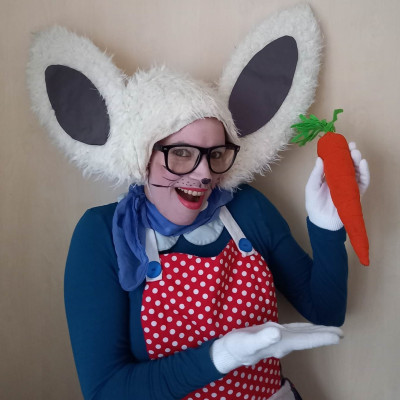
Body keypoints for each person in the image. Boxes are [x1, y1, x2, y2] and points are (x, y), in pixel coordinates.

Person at [26, 7, 369, 399]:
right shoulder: (101, 234)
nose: (205, 174)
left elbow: (326, 313)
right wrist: (220, 356)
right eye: (182, 153)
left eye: (215, 154)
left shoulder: (249, 209)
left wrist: (326, 227)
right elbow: (105, 390)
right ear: (143, 156)